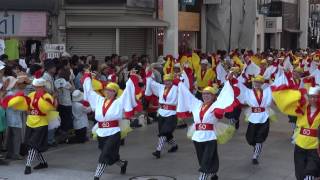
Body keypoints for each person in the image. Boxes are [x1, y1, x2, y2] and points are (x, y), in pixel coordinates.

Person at [82, 69, 142, 180]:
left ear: (115, 92)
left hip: (114, 132)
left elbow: (128, 91)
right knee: (110, 154)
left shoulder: (119, 101)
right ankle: (122, 164)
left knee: (105, 154)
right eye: (106, 90)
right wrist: (87, 77)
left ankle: (96, 177)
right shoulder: (99, 100)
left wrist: (132, 77)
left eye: (110, 90)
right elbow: (89, 91)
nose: (107, 92)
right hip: (101, 132)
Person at [177, 80, 239, 180]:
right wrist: (179, 82)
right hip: (197, 136)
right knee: (202, 159)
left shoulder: (216, 105)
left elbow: (224, 99)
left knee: (206, 161)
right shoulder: (196, 104)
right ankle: (213, 173)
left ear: (214, 96)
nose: (205, 96)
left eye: (208, 94)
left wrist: (228, 82)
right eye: (204, 94)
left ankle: (203, 177)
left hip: (210, 137)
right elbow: (187, 95)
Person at [272, 86, 320, 180]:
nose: (313, 99)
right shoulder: (301, 107)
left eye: (316, 96)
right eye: (311, 96)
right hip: (300, 144)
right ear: (308, 97)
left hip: (315, 146)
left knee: (311, 172)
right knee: (300, 173)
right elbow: (285, 105)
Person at [237, 75, 273, 165]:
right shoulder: (248, 92)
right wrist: (231, 78)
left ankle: (255, 156)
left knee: (260, 138)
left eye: (259, 82)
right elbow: (239, 86)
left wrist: (286, 75)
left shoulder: (266, 92)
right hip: (253, 117)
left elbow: (276, 85)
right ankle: (255, 145)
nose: (257, 84)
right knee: (250, 138)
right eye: (255, 82)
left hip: (264, 117)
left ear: (262, 84)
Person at [145, 72, 179, 159]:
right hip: (161, 113)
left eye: (169, 81)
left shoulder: (177, 88)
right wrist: (149, 73)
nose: (167, 82)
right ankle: (174, 146)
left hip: (171, 114)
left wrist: (181, 78)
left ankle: (158, 150)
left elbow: (185, 90)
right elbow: (151, 83)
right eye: (165, 81)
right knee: (166, 134)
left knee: (164, 132)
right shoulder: (161, 87)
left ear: (172, 81)